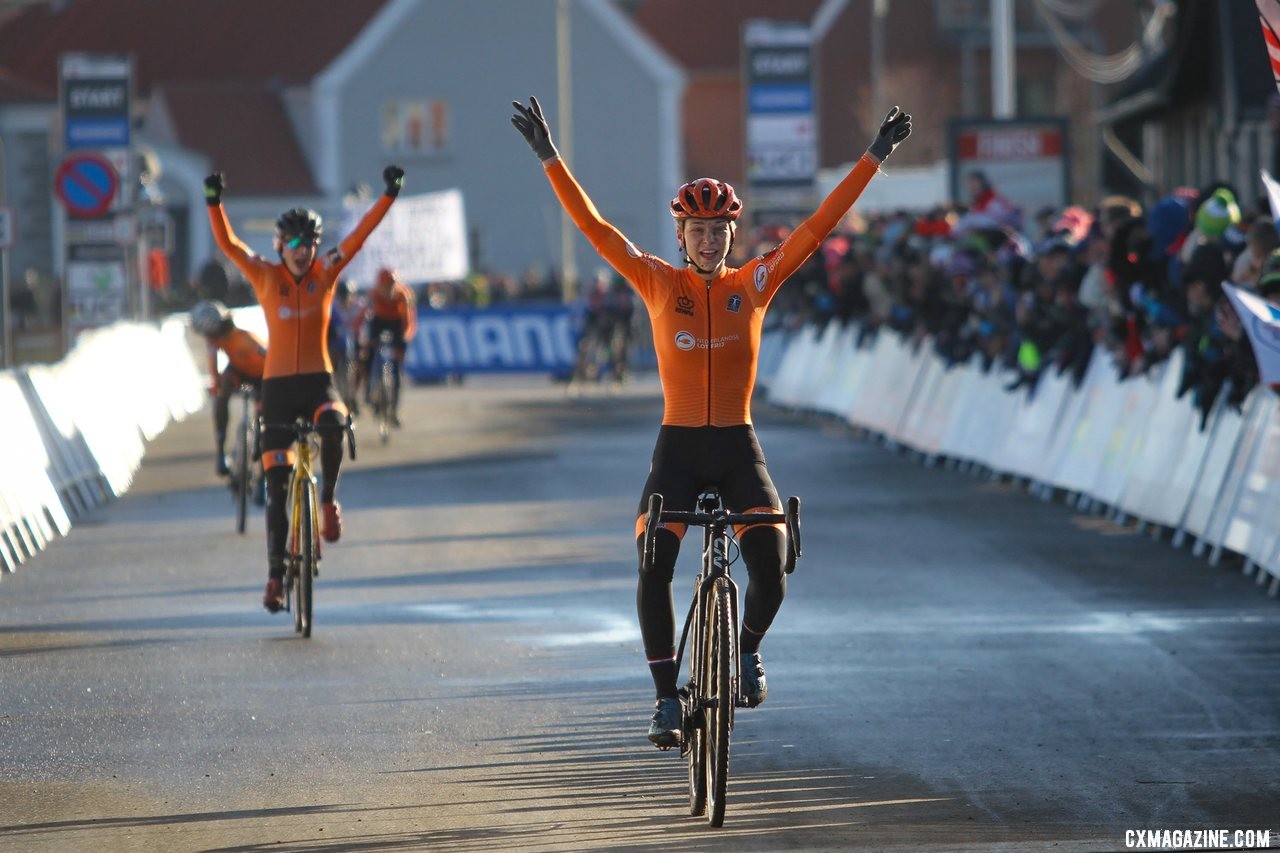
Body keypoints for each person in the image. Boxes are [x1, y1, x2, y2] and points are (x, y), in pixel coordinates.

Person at [511, 95, 910, 747]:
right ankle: (667, 698)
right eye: (696, 230)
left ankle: (747, 650)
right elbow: (593, 227)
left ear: (732, 234)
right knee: (652, 568)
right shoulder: (656, 282)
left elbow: (817, 227)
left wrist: (874, 156)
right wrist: (550, 156)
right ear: (680, 235)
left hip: (736, 447)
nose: (707, 238)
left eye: (718, 229)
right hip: (678, 449)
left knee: (772, 566)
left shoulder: (753, 283)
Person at [204, 164, 404, 612]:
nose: (302, 250)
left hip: (316, 383)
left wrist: (389, 195)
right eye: (293, 243)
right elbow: (229, 245)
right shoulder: (264, 275)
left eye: (309, 243)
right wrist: (213, 201)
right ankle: (275, 576)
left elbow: (360, 237)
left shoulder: (327, 272)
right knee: (276, 487)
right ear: (280, 247)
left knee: (333, 424)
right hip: (276, 389)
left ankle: (328, 502)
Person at [190, 299, 266, 478]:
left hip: (263, 375)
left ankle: (263, 469)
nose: (208, 339)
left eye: (208, 333)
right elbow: (214, 369)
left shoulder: (245, 338)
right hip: (238, 371)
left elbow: (269, 360)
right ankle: (221, 451)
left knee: (265, 415)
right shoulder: (215, 340)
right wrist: (217, 386)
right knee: (222, 392)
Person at [353, 266, 417, 427]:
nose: (388, 290)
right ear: (379, 286)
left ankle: (393, 410)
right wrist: (360, 335)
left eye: (391, 285)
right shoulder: (373, 295)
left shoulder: (403, 294)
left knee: (395, 370)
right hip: (379, 323)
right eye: (385, 286)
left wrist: (405, 337)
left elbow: (408, 320)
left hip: (396, 324)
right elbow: (363, 317)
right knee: (367, 354)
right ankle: (369, 386)